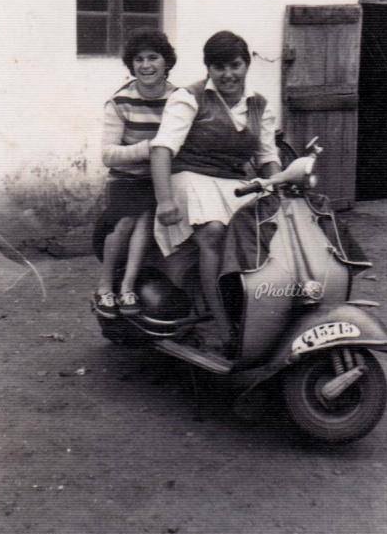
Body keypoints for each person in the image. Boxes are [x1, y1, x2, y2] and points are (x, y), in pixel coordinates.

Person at [151, 31, 281, 352]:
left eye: (235, 65)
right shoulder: (189, 98)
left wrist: (278, 187)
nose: (228, 74)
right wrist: (164, 200)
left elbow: (267, 157)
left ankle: (261, 312)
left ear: (246, 65)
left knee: (273, 231)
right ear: (208, 68)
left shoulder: (259, 105)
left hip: (233, 183)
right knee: (213, 232)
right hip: (189, 176)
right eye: (219, 67)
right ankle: (223, 329)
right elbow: (162, 149)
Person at [92, 28, 177, 319]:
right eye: (139, 59)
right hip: (126, 178)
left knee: (147, 219)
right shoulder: (120, 102)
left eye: (153, 57)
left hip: (162, 179)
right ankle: (105, 286)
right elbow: (108, 155)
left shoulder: (178, 99)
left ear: (166, 62)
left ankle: (128, 287)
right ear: (131, 64)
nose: (146, 65)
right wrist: (149, 149)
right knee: (129, 219)